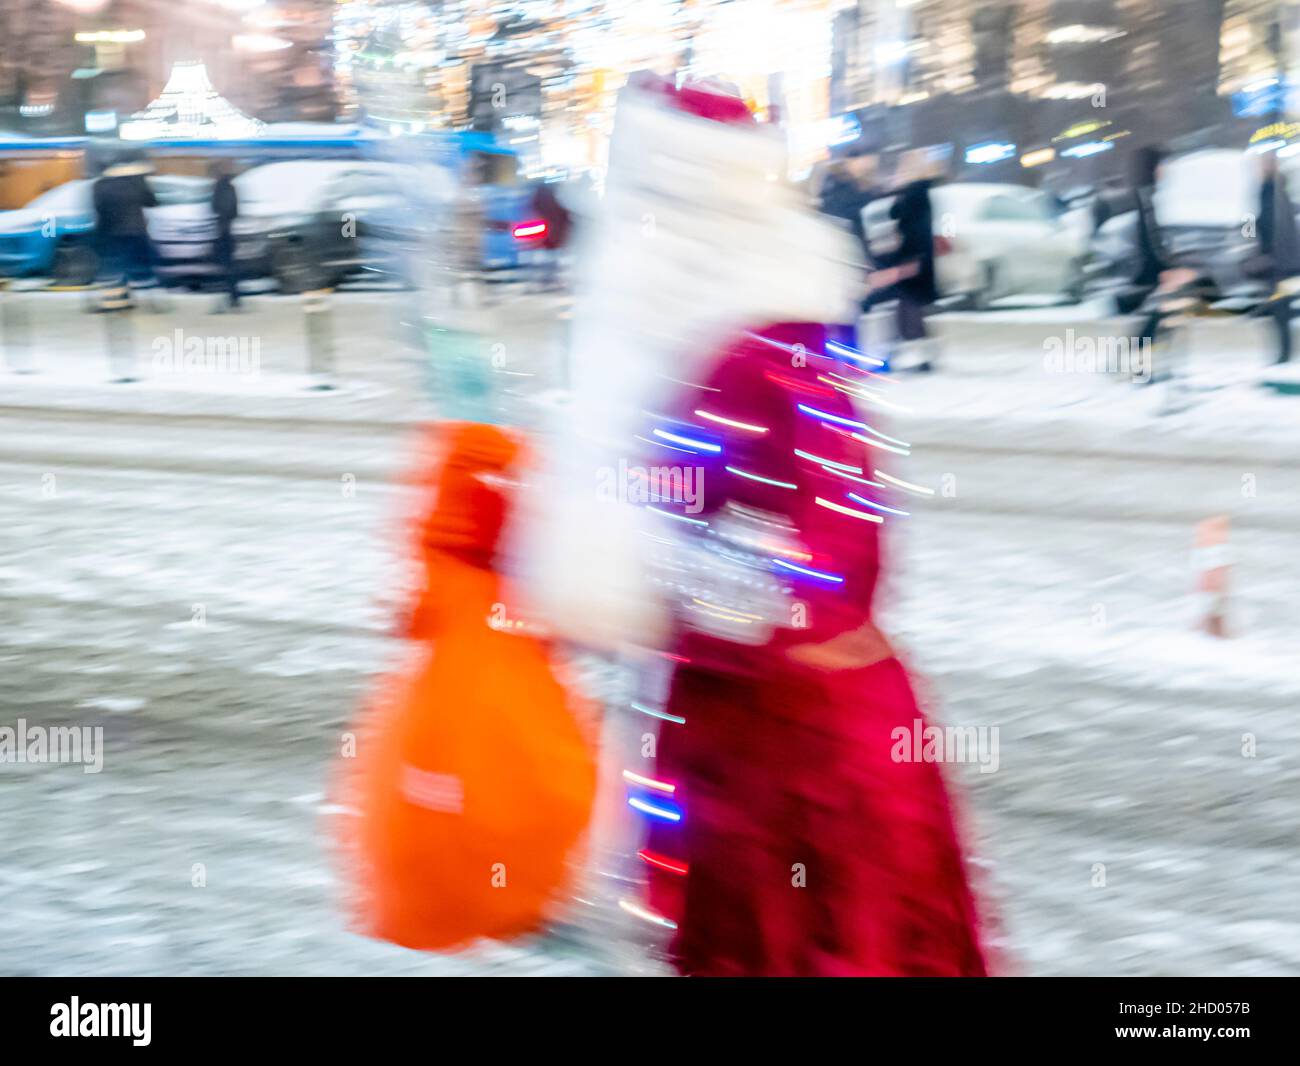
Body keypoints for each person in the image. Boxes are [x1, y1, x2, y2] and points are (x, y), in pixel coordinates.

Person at [640, 322, 988, 976]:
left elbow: (686, 513)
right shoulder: (815, 385)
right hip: (854, 716)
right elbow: (854, 551)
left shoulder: (740, 376)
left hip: (772, 728)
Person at [869, 148, 939, 371]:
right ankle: (918, 357)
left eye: (905, 166)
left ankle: (897, 356)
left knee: (907, 310)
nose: (901, 170)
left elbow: (905, 219)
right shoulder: (918, 190)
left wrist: (912, 259)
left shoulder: (917, 192)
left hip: (914, 258)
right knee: (909, 309)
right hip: (917, 257)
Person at [1249, 152, 1300, 364]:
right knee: (1281, 307)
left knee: (1279, 308)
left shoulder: (1264, 192)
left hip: (1278, 260)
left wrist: (1251, 244)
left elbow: (1252, 224)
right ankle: (1283, 354)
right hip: (1285, 259)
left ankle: (1283, 355)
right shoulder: (1277, 190)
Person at [92, 153, 159, 302]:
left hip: (112, 233)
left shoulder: (100, 185)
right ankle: (152, 296)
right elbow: (152, 202)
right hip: (137, 231)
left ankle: (117, 296)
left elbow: (99, 208)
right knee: (144, 267)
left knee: (116, 267)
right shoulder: (136, 182)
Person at [210, 161, 241, 312]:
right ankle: (234, 298)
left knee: (224, 268)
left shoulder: (219, 189)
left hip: (221, 232)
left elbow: (215, 208)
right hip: (229, 231)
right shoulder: (232, 188)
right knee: (229, 267)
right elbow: (235, 211)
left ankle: (230, 299)